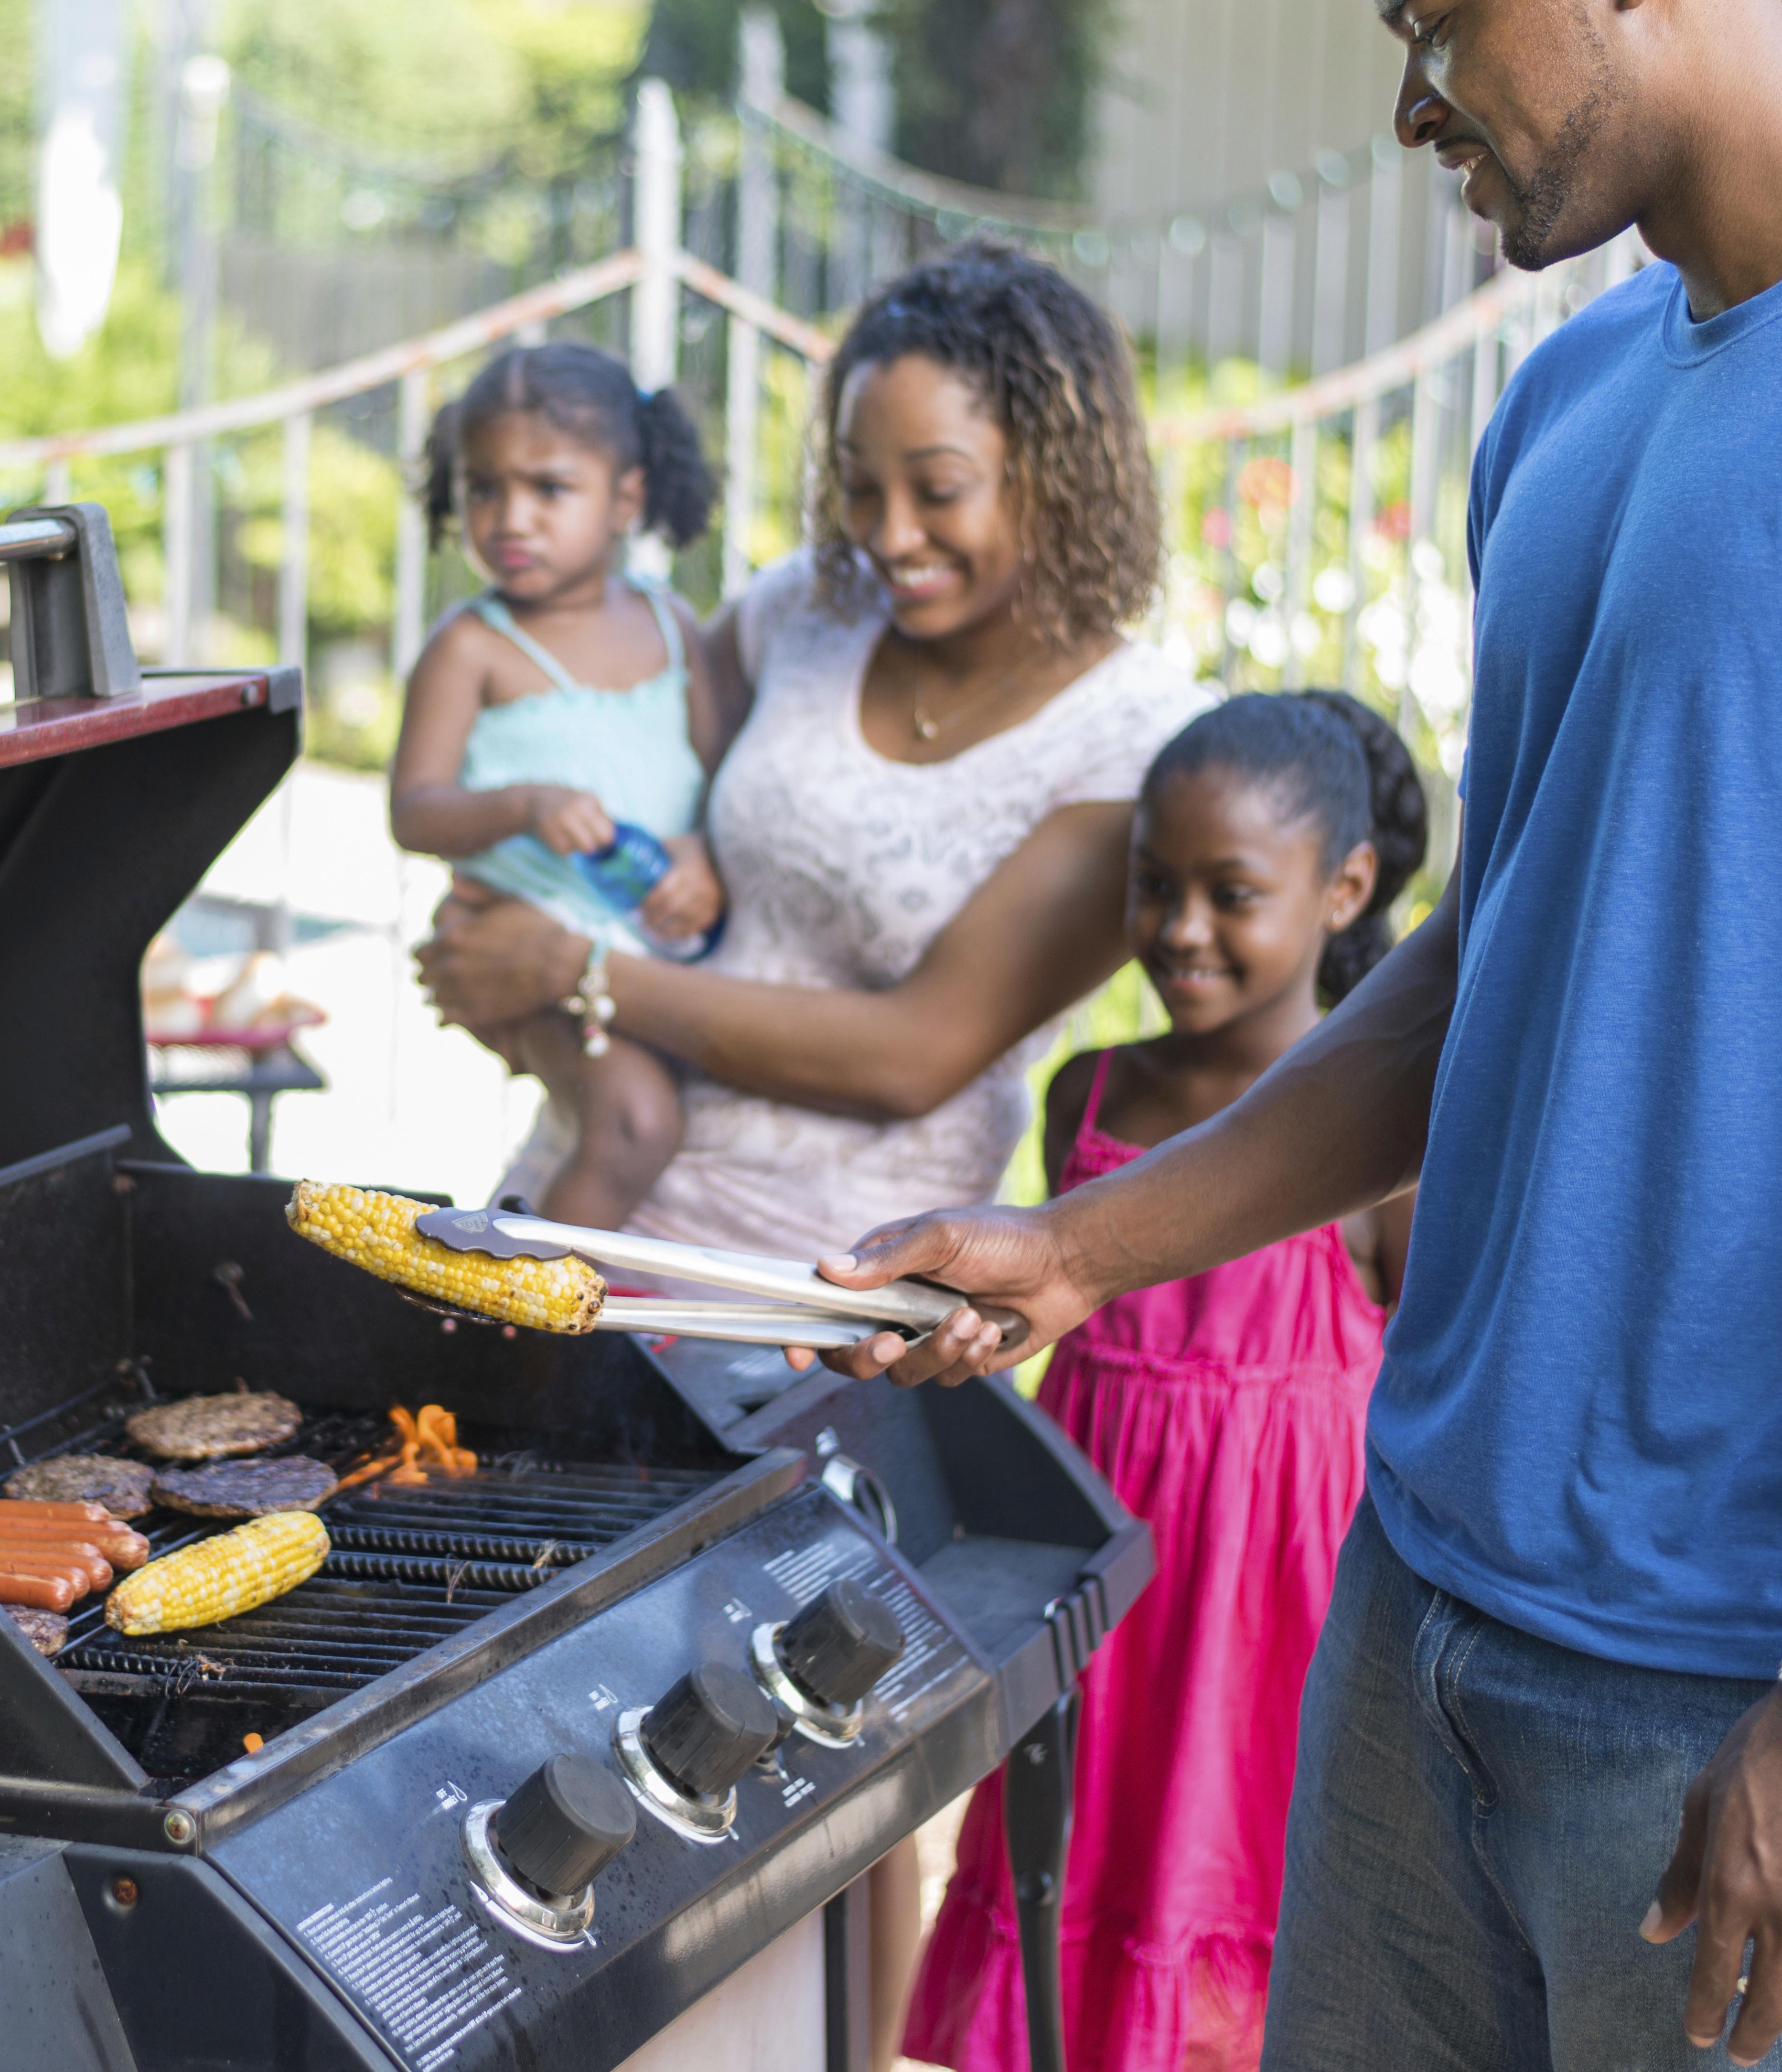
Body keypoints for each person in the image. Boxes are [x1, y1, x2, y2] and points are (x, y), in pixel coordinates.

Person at [816, 0, 1782, 2064]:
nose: (1409, 108)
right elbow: (1501, 960)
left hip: (1765, 1656)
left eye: (1433, 23)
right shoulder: (1564, 411)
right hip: (1429, 1601)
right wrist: (1082, 1248)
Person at [416, 245, 1207, 2063]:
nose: (890, 535)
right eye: (859, 485)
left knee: (783, 1743)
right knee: (514, 1715)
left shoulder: (1128, 738)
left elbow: (923, 1045)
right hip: (609, 1193)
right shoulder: (798, 610)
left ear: (1060, 474)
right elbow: (634, 802)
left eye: (940, 491)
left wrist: (592, 974)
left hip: (828, 1295)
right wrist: (519, 948)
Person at [902, 691, 1426, 2072]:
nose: (1181, 930)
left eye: (1231, 894)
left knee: (1243, 1883)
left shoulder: (1384, 1141)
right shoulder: (1093, 1092)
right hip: (1105, 1588)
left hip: (1275, 1611)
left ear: (1346, 888)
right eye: (1155, 886)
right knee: (1075, 1860)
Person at [388, 344, 726, 1226]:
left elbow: (721, 781)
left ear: (626, 497)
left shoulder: (671, 625)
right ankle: (535, 1339)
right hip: (529, 952)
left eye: (549, 489)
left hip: (660, 944)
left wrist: (701, 856)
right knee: (634, 1123)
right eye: (484, 488)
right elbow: (414, 810)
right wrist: (524, 806)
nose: (512, 518)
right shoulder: (472, 646)